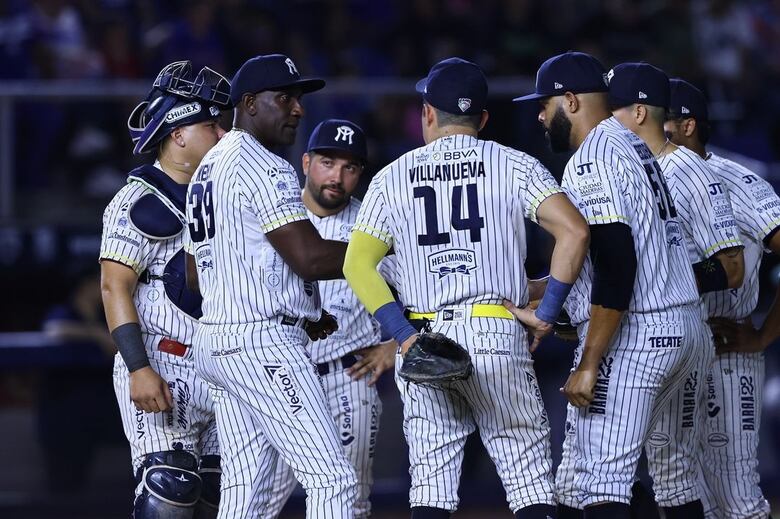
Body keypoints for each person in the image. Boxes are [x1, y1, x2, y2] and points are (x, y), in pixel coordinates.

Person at [344, 56, 591, 518]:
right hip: (497, 330)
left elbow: (357, 266)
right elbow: (574, 232)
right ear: (481, 119)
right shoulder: (514, 163)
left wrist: (406, 337)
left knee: (432, 490)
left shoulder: (392, 177)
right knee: (529, 482)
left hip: (426, 336)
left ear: (428, 114)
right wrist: (547, 310)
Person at [514, 51, 703, 518]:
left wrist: (590, 362)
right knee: (670, 476)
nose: (540, 114)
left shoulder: (592, 158)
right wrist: (536, 293)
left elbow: (618, 263)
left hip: (641, 335)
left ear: (571, 100)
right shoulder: (634, 145)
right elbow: (609, 255)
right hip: (686, 329)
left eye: (546, 103)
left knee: (603, 479)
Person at [185, 54, 357, 518]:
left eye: (298, 99)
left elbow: (193, 272)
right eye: (284, 97)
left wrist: (301, 308)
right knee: (334, 482)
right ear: (248, 104)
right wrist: (387, 250)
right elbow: (310, 257)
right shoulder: (262, 164)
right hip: (259, 342)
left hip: (218, 341)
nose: (297, 109)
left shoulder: (208, 168)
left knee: (245, 495)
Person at [608, 62, 745, 518]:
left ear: (641, 112)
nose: (608, 119)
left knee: (663, 470)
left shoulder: (688, 169)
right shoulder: (626, 166)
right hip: (637, 330)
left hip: (676, 330)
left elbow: (732, 267)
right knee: (627, 469)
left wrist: (664, 277)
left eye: (616, 109)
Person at [100, 60, 231, 518]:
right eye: (210, 125)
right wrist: (138, 368)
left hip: (222, 367)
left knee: (227, 499)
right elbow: (113, 286)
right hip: (163, 360)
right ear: (177, 133)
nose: (222, 134)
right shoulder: (136, 200)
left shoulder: (223, 192)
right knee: (168, 494)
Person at [264, 119, 398, 518]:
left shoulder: (373, 224)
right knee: (259, 499)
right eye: (327, 162)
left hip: (346, 378)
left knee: (349, 503)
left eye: (350, 167)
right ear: (305, 162)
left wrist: (394, 345)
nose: (337, 177)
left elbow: (426, 289)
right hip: (278, 377)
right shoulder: (274, 214)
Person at [664, 78, 780, 519]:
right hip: (674, 352)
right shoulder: (645, 181)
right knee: (685, 494)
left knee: (737, 498)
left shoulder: (737, 180)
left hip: (726, 351)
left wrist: (764, 336)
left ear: (687, 125)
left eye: (661, 119)